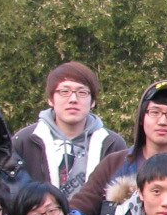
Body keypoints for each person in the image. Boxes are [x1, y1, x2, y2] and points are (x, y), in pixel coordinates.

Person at [69, 80, 167, 215]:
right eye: (155, 112)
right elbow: (83, 206)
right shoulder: (113, 163)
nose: (163, 121)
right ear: (141, 118)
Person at [10, 62, 130, 201]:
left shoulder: (112, 144)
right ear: (50, 99)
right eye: (64, 92)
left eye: (82, 92)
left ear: (93, 101)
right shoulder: (25, 141)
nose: (73, 99)